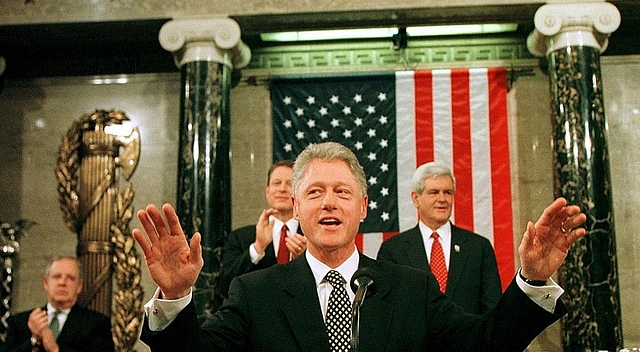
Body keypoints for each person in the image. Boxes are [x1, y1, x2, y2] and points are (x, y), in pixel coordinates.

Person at [132, 141, 587, 352]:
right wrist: (174, 297)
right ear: (295, 205)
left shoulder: (412, 288)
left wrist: (532, 279)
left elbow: (485, 344)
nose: (329, 203)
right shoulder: (256, 293)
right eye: (314, 192)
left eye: (343, 192)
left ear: (364, 206)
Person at [377, 161, 502, 314]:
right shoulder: (393, 250)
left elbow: (493, 310)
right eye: (434, 192)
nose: (442, 199)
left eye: (448, 192)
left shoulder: (478, 247)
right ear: (416, 198)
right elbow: (386, 309)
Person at [218, 159, 306, 298]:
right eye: (277, 183)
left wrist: (306, 259)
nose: (282, 189)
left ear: (300, 192)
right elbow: (224, 286)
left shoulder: (313, 236)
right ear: (267, 191)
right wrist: (257, 248)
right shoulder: (241, 237)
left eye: (290, 184)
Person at [1, 256, 114, 352]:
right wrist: (34, 340)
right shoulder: (20, 322)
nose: (62, 282)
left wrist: (54, 349)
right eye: (57, 277)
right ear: (46, 283)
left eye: (70, 278)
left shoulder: (97, 325)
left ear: (79, 286)